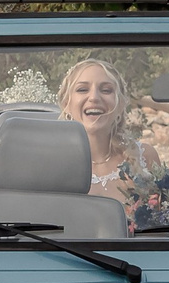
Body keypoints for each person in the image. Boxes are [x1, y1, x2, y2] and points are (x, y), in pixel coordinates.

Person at [58, 58, 160, 211]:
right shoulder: (52, 165)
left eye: (106, 90)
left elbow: (163, 228)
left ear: (120, 105)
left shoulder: (145, 156)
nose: (94, 97)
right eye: (82, 89)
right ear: (67, 104)